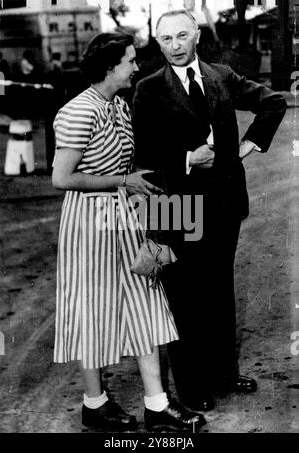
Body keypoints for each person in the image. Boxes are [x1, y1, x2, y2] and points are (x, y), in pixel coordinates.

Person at [132, 10, 287, 412]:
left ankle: (222, 372)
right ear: (158, 41)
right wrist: (186, 158)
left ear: (197, 35)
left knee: (218, 289)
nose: (175, 46)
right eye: (165, 39)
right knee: (184, 296)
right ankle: (191, 385)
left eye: (182, 36)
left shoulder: (222, 75)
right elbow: (143, 156)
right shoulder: (148, 88)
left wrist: (250, 145)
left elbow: (272, 102)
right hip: (173, 204)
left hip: (223, 201)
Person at [52, 31, 206, 432]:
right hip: (90, 224)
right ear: (109, 67)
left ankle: (157, 404)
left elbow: (135, 167)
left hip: (127, 218)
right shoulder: (78, 111)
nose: (137, 68)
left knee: (147, 302)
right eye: (130, 61)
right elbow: (61, 178)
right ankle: (95, 403)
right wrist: (124, 180)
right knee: (93, 311)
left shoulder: (118, 106)